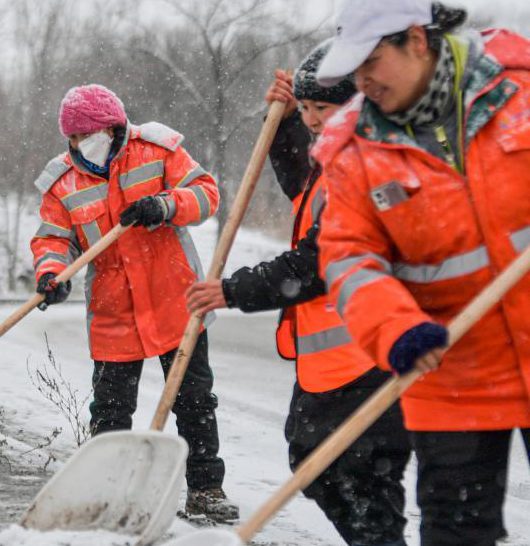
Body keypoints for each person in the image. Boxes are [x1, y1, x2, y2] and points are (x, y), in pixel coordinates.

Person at [313, 1, 530, 544]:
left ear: (416, 39)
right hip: (451, 366)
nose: (362, 79)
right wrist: (395, 328)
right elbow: (348, 258)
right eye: (353, 66)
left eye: (371, 60)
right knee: (455, 530)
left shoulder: (520, 88)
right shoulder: (354, 148)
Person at [186, 44, 411, 546]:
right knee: (321, 463)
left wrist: (232, 290)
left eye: (320, 109)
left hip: (371, 351)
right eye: (305, 108)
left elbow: (321, 260)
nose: (311, 121)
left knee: (355, 473)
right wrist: (285, 121)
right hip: (332, 360)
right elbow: (303, 187)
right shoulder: (335, 164)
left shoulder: (374, 163)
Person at [30, 84, 238, 523]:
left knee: (195, 401)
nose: (77, 146)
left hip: (175, 298)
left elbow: (205, 194)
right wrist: (52, 273)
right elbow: (53, 238)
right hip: (112, 310)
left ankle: (205, 489)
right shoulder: (61, 180)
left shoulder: (156, 149)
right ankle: (110, 493)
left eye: (85, 135)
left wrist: (165, 205)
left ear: (112, 129)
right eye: (71, 139)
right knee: (110, 410)